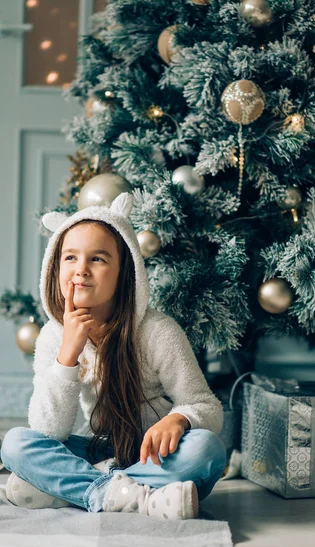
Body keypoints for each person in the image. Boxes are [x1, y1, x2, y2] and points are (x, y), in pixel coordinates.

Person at [1, 192, 226, 519]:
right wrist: (68, 355)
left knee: (206, 451)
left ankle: (73, 489)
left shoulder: (157, 332)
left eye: (97, 259)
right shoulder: (54, 335)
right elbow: (49, 431)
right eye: (70, 258)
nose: (81, 270)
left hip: (156, 457)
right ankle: (133, 497)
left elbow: (206, 406)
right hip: (98, 448)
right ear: (54, 266)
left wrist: (180, 419)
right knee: (16, 444)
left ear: (125, 271)